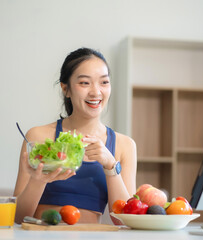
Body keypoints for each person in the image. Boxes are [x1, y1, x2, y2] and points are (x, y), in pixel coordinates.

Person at [13, 47, 137, 224]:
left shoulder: (124, 145)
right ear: (66, 89)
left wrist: (110, 166)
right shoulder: (39, 136)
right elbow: (18, 218)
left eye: (104, 82)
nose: (96, 92)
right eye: (85, 83)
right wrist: (38, 180)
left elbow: (125, 221)